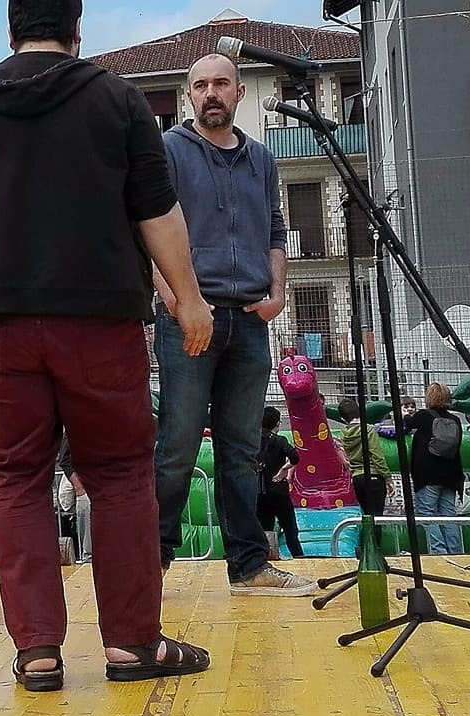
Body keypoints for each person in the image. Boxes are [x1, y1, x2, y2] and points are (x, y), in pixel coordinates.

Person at [0, 0, 214, 690]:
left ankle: (38, 652)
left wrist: (2, 238)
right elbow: (156, 210)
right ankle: (133, 644)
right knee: (119, 473)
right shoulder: (117, 100)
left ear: (11, 30)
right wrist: (189, 298)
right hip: (97, 314)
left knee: (14, 474)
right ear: (78, 31)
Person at [153, 53, 316, 596]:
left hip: (248, 319)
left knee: (243, 450)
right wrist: (174, 300)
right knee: (177, 447)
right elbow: (148, 226)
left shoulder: (262, 159)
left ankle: (249, 566)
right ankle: (151, 564)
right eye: (200, 85)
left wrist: (278, 295)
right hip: (189, 318)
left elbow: (274, 230)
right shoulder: (170, 150)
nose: (211, 93)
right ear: (189, 95)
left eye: (221, 83)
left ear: (239, 92)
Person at [409, 383, 464, 555]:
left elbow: (406, 425)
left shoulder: (423, 416)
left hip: (427, 475)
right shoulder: (455, 420)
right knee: (449, 514)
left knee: (427, 513)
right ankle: (456, 552)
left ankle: (439, 552)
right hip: (451, 475)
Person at [338, 397, 393, 540]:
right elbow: (377, 455)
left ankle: (366, 546)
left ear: (343, 419)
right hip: (373, 476)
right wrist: (387, 478)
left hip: (356, 478)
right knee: (377, 518)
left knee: (365, 517)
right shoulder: (368, 429)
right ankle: (376, 547)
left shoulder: (343, 434)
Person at [256, 407, 303, 558]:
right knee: (290, 529)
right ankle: (298, 556)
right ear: (277, 424)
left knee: (265, 529)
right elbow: (295, 457)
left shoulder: (253, 441)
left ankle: (268, 558)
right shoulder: (280, 441)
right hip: (279, 492)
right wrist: (284, 469)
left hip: (259, 492)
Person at [57, 432, 92, 563]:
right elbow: (64, 460)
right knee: (86, 504)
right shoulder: (73, 428)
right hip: (83, 486)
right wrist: (78, 486)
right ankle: (88, 557)